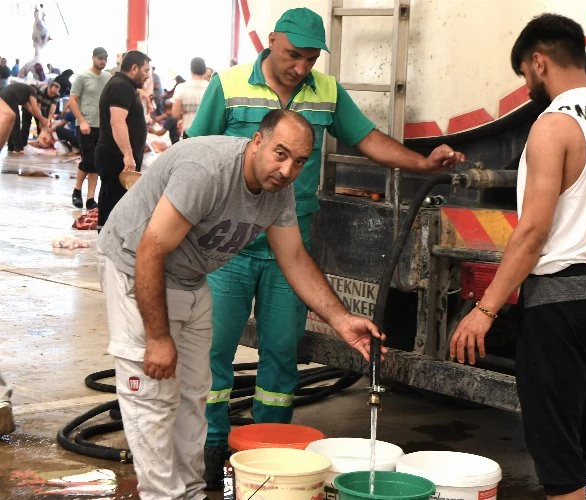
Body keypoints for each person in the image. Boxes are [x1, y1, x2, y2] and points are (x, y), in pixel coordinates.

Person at [186, 6, 466, 489]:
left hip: (290, 247)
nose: (301, 67)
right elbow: (194, 153)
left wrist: (422, 164)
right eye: (293, 55)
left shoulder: (327, 92)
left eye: (311, 59)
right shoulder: (228, 86)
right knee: (214, 353)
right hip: (228, 247)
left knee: (281, 356)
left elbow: (368, 139)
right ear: (272, 41)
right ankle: (209, 448)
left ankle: (272, 452)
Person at [97, 109, 386, 500]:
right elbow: (150, 250)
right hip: (135, 267)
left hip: (189, 276)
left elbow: (294, 258)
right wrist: (158, 338)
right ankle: (163, 495)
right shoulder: (208, 171)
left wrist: (341, 319)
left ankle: (190, 492)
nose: (287, 170)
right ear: (257, 142)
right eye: (280, 154)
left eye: (299, 161)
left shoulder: (278, 190)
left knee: (194, 393)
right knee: (153, 395)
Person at [449, 13, 586, 500]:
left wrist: (485, 309)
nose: (528, 85)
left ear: (538, 62)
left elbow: (533, 231)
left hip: (561, 302)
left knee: (556, 451)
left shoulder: (553, 126)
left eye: (524, 74)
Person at [95, 50, 150, 230]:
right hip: (116, 157)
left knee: (115, 203)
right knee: (113, 204)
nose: (147, 75)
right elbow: (117, 122)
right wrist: (127, 154)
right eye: (145, 70)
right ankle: (108, 240)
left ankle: (108, 237)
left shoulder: (125, 86)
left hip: (118, 156)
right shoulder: (121, 87)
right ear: (134, 68)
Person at [69, 47, 112, 209]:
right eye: (100, 58)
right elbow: (72, 100)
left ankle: (90, 198)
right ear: (93, 58)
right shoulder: (82, 77)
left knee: (97, 162)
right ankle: (77, 190)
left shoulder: (108, 77)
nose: (103, 61)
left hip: (102, 126)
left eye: (105, 59)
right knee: (88, 161)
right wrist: (82, 121)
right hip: (85, 125)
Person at [0, 82, 49, 153]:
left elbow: (30, 110)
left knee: (11, 123)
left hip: (2, 95)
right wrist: (42, 119)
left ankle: (11, 146)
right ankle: (17, 148)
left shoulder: (23, 95)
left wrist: (40, 118)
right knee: (16, 122)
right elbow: (35, 108)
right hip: (10, 96)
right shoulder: (33, 91)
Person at [171, 57, 208, 137]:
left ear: (191, 70)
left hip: (188, 131)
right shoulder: (210, 87)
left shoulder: (181, 87)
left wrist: (182, 117)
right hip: (206, 132)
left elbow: (175, 114)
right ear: (205, 70)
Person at [19, 81, 59, 150]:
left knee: (42, 126)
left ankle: (41, 143)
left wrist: (49, 119)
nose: (52, 95)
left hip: (42, 109)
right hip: (30, 106)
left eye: (54, 93)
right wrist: (41, 119)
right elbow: (38, 106)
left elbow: (53, 108)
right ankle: (21, 145)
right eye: (51, 92)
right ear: (48, 88)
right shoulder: (41, 91)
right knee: (26, 126)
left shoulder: (57, 94)